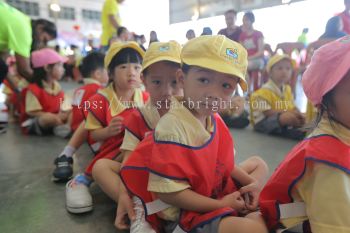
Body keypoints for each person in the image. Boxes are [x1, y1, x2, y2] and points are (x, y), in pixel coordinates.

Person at [120, 35, 268, 233]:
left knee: (260, 165)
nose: (214, 93)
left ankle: (244, 210)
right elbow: (170, 195)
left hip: (213, 190)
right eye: (204, 80)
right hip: (187, 211)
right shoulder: (171, 128)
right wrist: (222, 204)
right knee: (256, 228)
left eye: (226, 86)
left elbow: (223, 163)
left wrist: (252, 184)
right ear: (182, 78)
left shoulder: (212, 118)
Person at [259, 36, 350, 233]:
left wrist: (295, 114)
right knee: (287, 120)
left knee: (294, 118)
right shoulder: (329, 163)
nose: (285, 73)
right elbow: (264, 110)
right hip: (293, 221)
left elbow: (290, 107)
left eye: (288, 69)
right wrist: (287, 115)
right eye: (279, 68)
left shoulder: (288, 91)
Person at [91, 40, 183, 230]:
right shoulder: (137, 114)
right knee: (100, 167)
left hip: (183, 182)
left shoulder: (194, 113)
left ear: (185, 79)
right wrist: (125, 194)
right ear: (145, 80)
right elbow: (128, 163)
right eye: (157, 82)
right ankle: (137, 208)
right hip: (145, 180)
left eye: (174, 82)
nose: (167, 91)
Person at [65, 41, 148, 214]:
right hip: (112, 151)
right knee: (107, 163)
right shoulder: (99, 100)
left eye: (137, 67)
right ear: (110, 73)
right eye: (123, 67)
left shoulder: (146, 97)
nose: (131, 72)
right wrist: (108, 131)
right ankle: (83, 181)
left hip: (140, 153)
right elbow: (94, 135)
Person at [52, 52, 109, 181]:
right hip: (91, 136)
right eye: (107, 71)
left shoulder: (79, 90)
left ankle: (66, 154)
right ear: (98, 74)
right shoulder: (99, 91)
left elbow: (73, 111)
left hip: (75, 130)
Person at [249, 54, 305, 140]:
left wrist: (297, 112)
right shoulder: (263, 92)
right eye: (280, 68)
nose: (284, 71)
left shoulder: (287, 89)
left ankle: (293, 129)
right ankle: (289, 131)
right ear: (270, 72)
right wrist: (288, 112)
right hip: (262, 123)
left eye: (288, 69)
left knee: (301, 117)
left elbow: (291, 105)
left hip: (280, 117)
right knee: (286, 117)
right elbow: (267, 112)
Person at [0, 1, 57, 82]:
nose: (41, 43)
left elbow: (3, 57)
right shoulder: (25, 32)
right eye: (44, 39)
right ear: (40, 28)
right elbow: (24, 70)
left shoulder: (22, 21)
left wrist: (16, 90)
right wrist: (42, 85)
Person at [20, 48, 68, 136]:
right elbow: (32, 112)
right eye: (59, 65)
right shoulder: (33, 89)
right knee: (47, 119)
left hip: (55, 117)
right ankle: (63, 128)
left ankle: (60, 127)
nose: (63, 69)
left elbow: (63, 105)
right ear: (47, 68)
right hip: (35, 121)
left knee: (73, 112)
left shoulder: (58, 88)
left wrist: (64, 113)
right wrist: (55, 117)